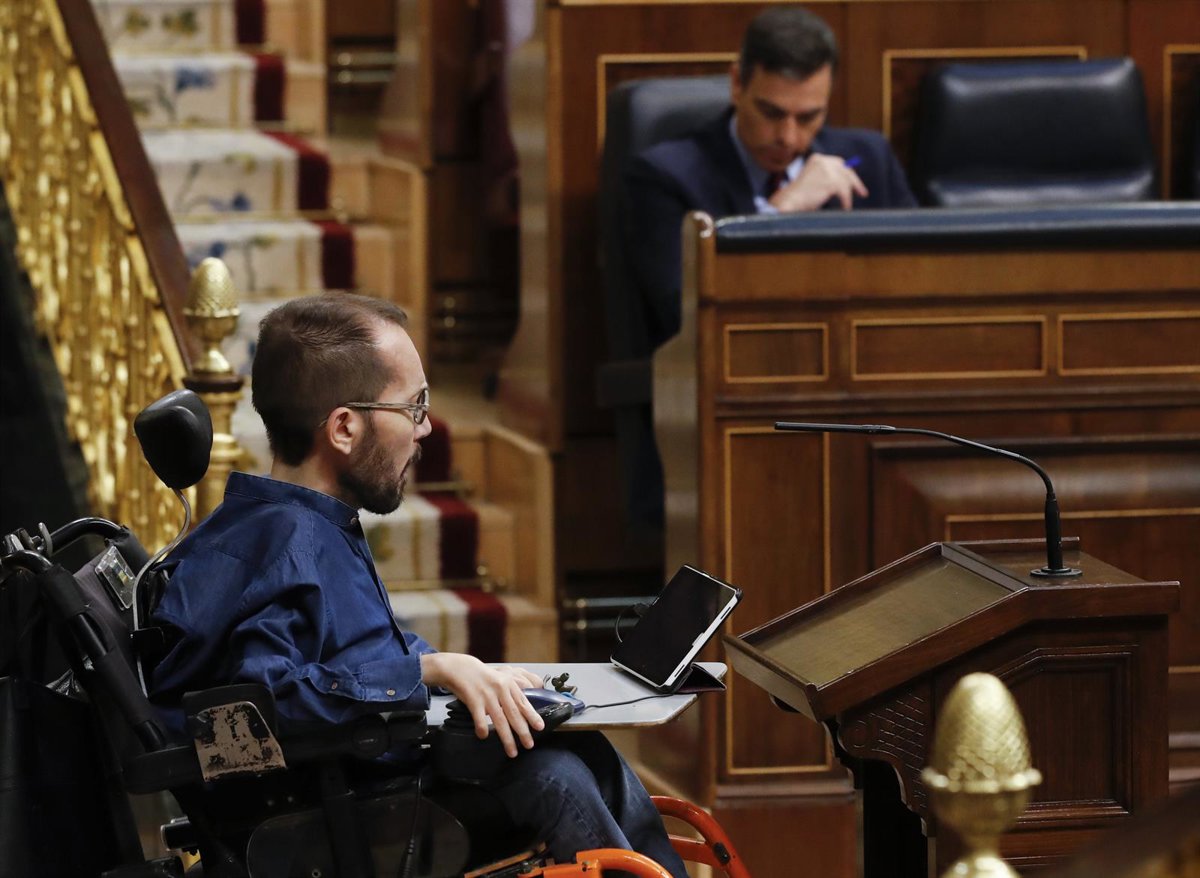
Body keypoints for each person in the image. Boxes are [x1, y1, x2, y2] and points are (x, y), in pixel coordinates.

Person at [147, 293, 687, 876]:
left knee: (582, 748)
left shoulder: (296, 522)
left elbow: (354, 653)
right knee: (555, 776)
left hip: (371, 776)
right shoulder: (286, 544)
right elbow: (262, 701)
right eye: (414, 406)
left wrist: (473, 676)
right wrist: (424, 671)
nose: (426, 427)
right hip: (333, 817)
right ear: (345, 427)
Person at [625, 5, 918, 350]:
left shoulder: (869, 160)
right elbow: (684, 316)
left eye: (808, 117)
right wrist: (779, 213)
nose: (788, 138)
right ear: (737, 84)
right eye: (771, 113)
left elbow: (919, 282)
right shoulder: (666, 177)